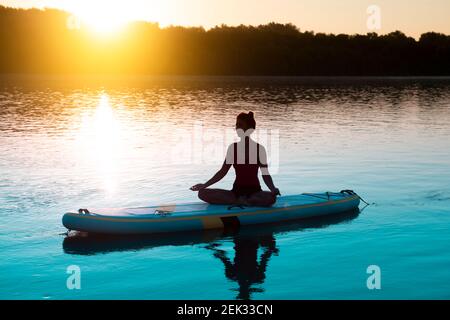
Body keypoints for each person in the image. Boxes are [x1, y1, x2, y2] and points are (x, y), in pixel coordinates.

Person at [190, 111, 280, 207]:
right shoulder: (233, 148)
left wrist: (273, 189)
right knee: (202, 193)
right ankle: (242, 201)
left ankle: (244, 200)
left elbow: (265, 174)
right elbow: (222, 172)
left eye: (240, 125)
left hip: (255, 192)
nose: (237, 127)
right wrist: (204, 185)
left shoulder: (259, 149)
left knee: (271, 198)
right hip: (235, 193)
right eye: (236, 125)